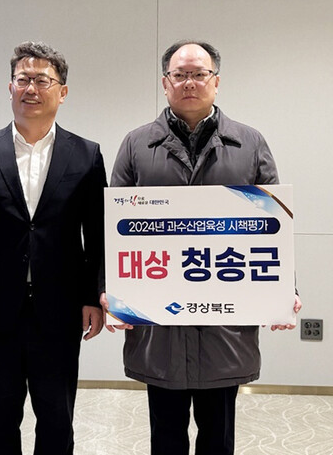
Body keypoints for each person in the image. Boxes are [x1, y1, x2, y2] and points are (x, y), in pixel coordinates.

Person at [102, 40, 302, 455]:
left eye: (199, 74)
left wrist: (285, 290)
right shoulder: (137, 145)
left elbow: (273, 226)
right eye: (180, 75)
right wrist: (110, 290)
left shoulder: (250, 143)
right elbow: (113, 230)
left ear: (216, 81)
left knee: (218, 438)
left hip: (224, 328)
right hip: (159, 327)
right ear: (165, 83)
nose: (189, 83)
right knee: (166, 438)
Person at [0, 41, 107, 455]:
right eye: (23, 79)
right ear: (10, 87)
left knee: (57, 418)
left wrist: (94, 296)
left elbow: (98, 234)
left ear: (62, 91)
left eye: (42, 80)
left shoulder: (86, 154)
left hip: (61, 308)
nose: (31, 88)